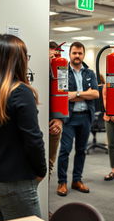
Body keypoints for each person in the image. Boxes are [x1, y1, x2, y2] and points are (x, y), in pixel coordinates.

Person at [0, 34, 47, 220]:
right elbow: (33, 140)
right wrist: (41, 171)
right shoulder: (20, 92)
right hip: (16, 181)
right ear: (18, 60)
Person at [57, 41, 99, 196]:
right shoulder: (63, 71)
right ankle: (62, 182)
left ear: (83, 54)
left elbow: (96, 94)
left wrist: (76, 94)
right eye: (74, 53)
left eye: (80, 53)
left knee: (81, 150)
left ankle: (76, 180)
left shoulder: (90, 73)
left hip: (86, 117)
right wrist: (84, 94)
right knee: (65, 150)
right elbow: (63, 96)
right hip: (69, 118)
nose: (77, 56)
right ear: (70, 54)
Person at [49, 41, 63, 179]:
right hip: (36, 121)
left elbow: (64, 96)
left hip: (54, 123)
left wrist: (60, 119)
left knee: (49, 163)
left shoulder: (62, 70)